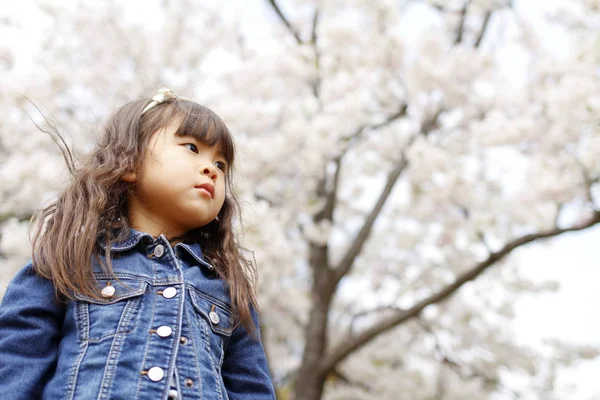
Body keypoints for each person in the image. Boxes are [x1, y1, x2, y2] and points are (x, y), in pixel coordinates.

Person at [0, 88, 276, 400]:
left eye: (222, 165)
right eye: (191, 147)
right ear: (130, 163)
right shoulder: (70, 258)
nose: (211, 169)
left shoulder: (228, 289)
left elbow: (251, 388)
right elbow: (18, 355)